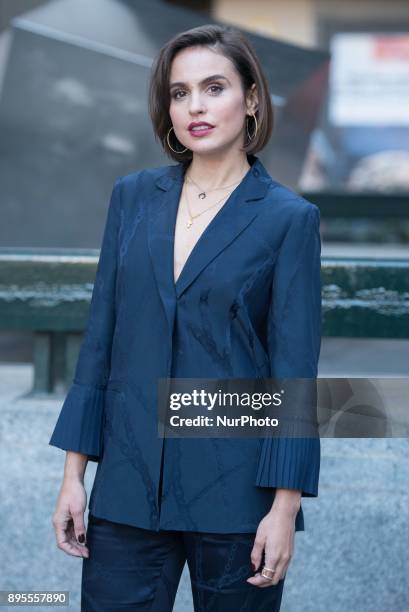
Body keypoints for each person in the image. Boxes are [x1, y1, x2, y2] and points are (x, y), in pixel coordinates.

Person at [49, 24, 322, 611]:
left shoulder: (287, 219)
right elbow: (101, 338)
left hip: (237, 494)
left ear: (251, 99)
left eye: (214, 87)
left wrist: (285, 507)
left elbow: (293, 371)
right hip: (126, 486)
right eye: (179, 92)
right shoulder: (132, 197)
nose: (194, 105)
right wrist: (74, 476)